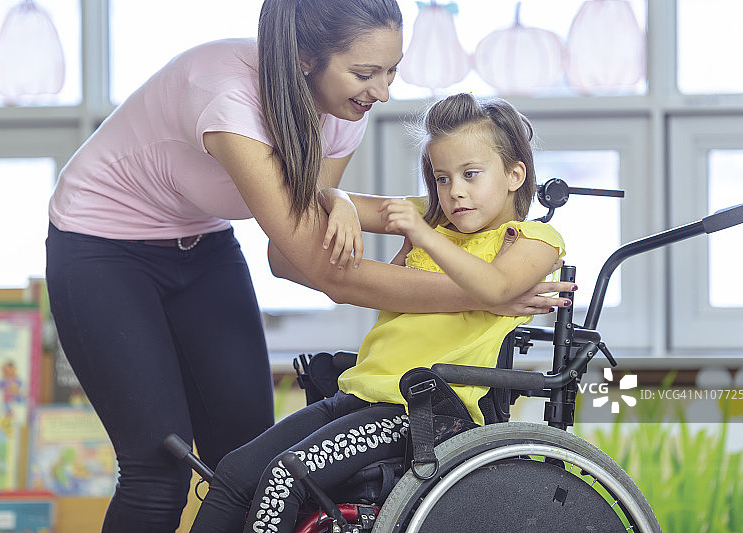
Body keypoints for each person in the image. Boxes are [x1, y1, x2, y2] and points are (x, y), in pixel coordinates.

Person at [44, 1, 574, 531]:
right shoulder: (230, 99)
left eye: (392, 71)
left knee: (245, 455)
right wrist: (488, 294)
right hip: (102, 244)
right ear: (304, 59)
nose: (383, 92)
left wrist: (337, 198)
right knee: (159, 467)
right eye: (366, 73)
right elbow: (323, 269)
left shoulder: (345, 112)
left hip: (201, 241)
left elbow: (293, 247)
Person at [188, 92, 565, 533]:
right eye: (442, 178)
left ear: (515, 174)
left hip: (422, 414)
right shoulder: (434, 217)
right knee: (234, 472)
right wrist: (344, 205)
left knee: (286, 476)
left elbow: (496, 286)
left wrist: (421, 235)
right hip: (359, 393)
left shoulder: (535, 238)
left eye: (470, 174)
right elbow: (325, 194)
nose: (454, 191)